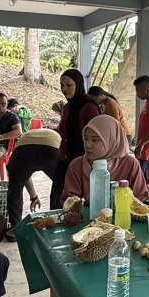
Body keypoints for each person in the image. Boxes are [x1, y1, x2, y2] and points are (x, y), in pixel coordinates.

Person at [63, 115, 149, 203]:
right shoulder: (76, 166)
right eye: (86, 139)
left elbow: (140, 199)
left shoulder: (130, 164)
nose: (88, 145)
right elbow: (69, 202)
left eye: (95, 140)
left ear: (111, 140)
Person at [50, 70, 100, 209]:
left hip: (82, 160)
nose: (64, 89)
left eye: (69, 85)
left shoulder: (89, 107)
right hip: (64, 159)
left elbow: (95, 136)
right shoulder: (66, 107)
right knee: (58, 200)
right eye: (62, 85)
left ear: (78, 85)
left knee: (79, 203)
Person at [6, 127, 63, 235]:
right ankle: (55, 224)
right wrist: (34, 197)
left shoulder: (27, 136)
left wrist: (34, 197)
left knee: (15, 188)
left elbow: (24, 175)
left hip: (23, 151)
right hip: (51, 149)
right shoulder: (56, 135)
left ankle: (16, 229)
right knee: (59, 186)